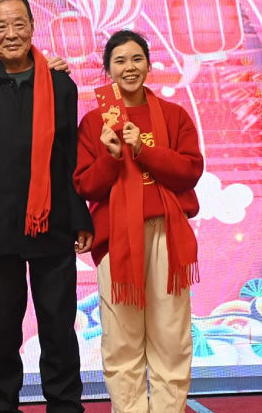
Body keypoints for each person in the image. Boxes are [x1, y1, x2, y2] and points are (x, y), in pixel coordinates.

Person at [0, 0, 93, 413]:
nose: (11, 34)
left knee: (58, 325)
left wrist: (80, 216)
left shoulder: (61, 85)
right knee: (1, 330)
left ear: (32, 26)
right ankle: (4, 405)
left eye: (18, 24)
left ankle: (64, 405)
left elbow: (68, 157)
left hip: (52, 224)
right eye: (1, 26)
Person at [73, 29, 203, 413]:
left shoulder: (174, 115)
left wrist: (144, 149)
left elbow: (190, 172)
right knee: (122, 339)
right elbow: (86, 185)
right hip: (117, 239)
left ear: (148, 64)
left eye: (136, 59)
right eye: (120, 61)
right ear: (108, 70)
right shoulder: (94, 122)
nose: (129, 67)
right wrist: (112, 156)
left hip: (167, 234)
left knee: (171, 336)